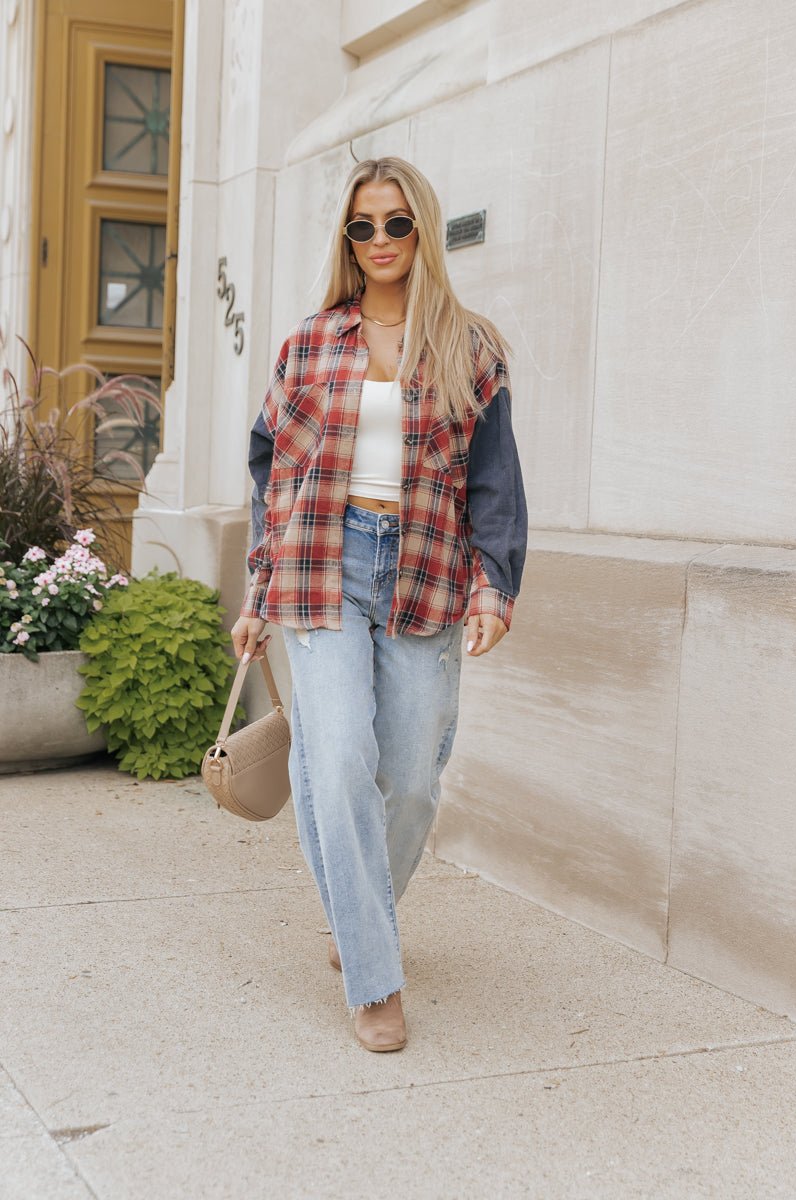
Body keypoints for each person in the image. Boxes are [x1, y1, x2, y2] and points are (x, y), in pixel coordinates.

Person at [230, 156, 527, 1053]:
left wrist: (496, 586)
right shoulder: (311, 342)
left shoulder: (471, 347)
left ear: (421, 229)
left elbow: (496, 483)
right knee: (340, 749)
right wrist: (256, 590)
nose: (382, 240)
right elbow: (271, 474)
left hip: (428, 567)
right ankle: (373, 975)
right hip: (324, 563)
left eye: (397, 223)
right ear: (348, 239)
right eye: (365, 225)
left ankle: (356, 909)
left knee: (411, 773)